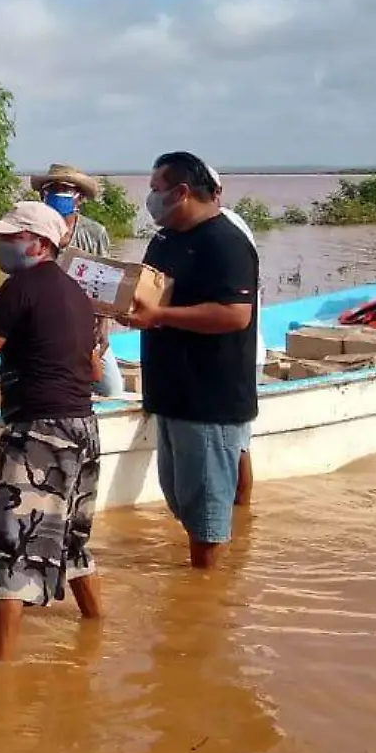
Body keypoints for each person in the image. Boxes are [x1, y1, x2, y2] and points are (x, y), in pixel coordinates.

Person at [0, 199, 103, 661]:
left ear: (39, 244)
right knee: (72, 541)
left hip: (39, 430)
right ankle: (97, 630)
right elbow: (95, 371)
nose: (0, 246)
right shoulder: (80, 295)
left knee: (10, 546)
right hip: (85, 428)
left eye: (8, 237)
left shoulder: (17, 290)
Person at [122, 151, 259, 570]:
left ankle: (211, 601)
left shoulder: (226, 242)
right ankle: (207, 584)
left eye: (155, 189)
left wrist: (160, 316)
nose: (150, 198)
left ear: (182, 192)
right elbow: (149, 291)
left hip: (209, 398)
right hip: (170, 392)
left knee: (207, 515)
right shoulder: (165, 238)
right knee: (181, 499)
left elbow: (236, 315)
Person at [30, 162, 123, 397]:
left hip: (85, 326)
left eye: (65, 188)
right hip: (43, 325)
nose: (58, 193)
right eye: (53, 188)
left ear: (79, 198)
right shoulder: (33, 231)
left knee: (111, 389)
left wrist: (103, 329)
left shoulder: (95, 233)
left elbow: (106, 285)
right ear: (43, 195)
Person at [205, 164, 261, 507]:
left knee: (236, 443)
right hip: (220, 353)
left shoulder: (228, 232)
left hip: (237, 354)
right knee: (235, 442)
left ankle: (241, 515)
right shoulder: (206, 231)